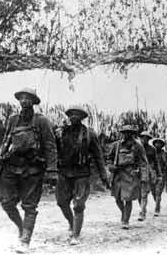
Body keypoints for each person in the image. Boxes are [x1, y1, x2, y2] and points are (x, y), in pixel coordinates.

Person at [0, 88, 57, 254]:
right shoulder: (13, 119)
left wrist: (52, 170)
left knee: (29, 206)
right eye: (21, 98)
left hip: (33, 168)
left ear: (33, 102)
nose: (24, 101)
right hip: (11, 166)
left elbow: (50, 145)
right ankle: (22, 228)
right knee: (6, 202)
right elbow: (6, 139)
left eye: (27, 98)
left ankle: (25, 241)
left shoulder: (42, 121)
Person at [54, 105, 109, 245]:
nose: (73, 117)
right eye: (71, 114)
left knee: (78, 204)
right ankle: (72, 223)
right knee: (61, 201)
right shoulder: (61, 132)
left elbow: (98, 156)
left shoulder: (89, 134)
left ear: (82, 118)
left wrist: (104, 175)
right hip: (64, 172)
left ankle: (75, 235)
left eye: (77, 115)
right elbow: (52, 149)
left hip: (82, 173)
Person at [107, 125, 148, 229]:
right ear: (122, 133)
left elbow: (143, 162)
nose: (127, 134)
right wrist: (110, 165)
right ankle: (124, 212)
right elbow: (109, 158)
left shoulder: (137, 145)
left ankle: (126, 221)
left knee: (128, 198)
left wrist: (144, 177)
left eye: (129, 132)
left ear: (132, 133)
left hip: (130, 174)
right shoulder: (116, 145)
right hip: (117, 174)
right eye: (125, 132)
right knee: (117, 198)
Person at [138, 131, 162, 221]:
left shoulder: (152, 149)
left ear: (148, 139)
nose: (144, 139)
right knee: (139, 194)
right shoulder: (136, 147)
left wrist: (159, 174)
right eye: (143, 137)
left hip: (149, 172)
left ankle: (142, 212)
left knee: (145, 193)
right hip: (137, 172)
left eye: (146, 138)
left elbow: (156, 163)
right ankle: (142, 208)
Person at [152, 138, 167, 216]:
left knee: (158, 192)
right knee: (153, 192)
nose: (158, 145)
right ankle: (158, 204)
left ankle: (157, 209)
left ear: (162, 145)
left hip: (162, 174)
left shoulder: (165, 154)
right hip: (153, 174)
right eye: (156, 143)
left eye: (159, 143)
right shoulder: (152, 152)